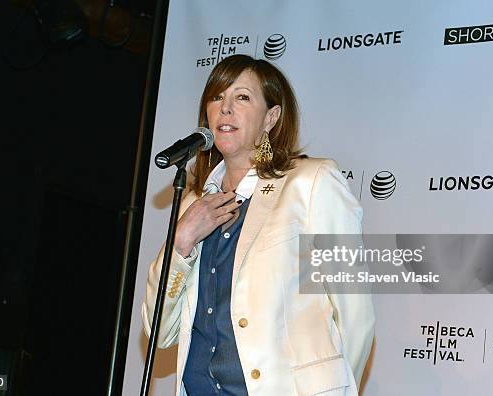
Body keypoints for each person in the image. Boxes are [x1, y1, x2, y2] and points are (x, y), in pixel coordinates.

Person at [142, 54, 374, 396]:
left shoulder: (310, 183)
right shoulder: (194, 203)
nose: (225, 108)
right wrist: (182, 242)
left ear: (271, 117)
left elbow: (355, 314)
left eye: (242, 97)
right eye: (217, 97)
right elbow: (160, 334)